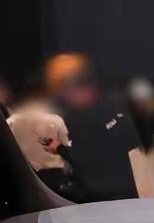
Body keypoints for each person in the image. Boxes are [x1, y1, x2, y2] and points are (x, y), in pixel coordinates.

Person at [44, 53, 141, 201]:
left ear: (68, 87)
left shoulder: (85, 118)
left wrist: (58, 148)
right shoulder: (114, 105)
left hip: (104, 198)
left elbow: (85, 157)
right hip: (131, 189)